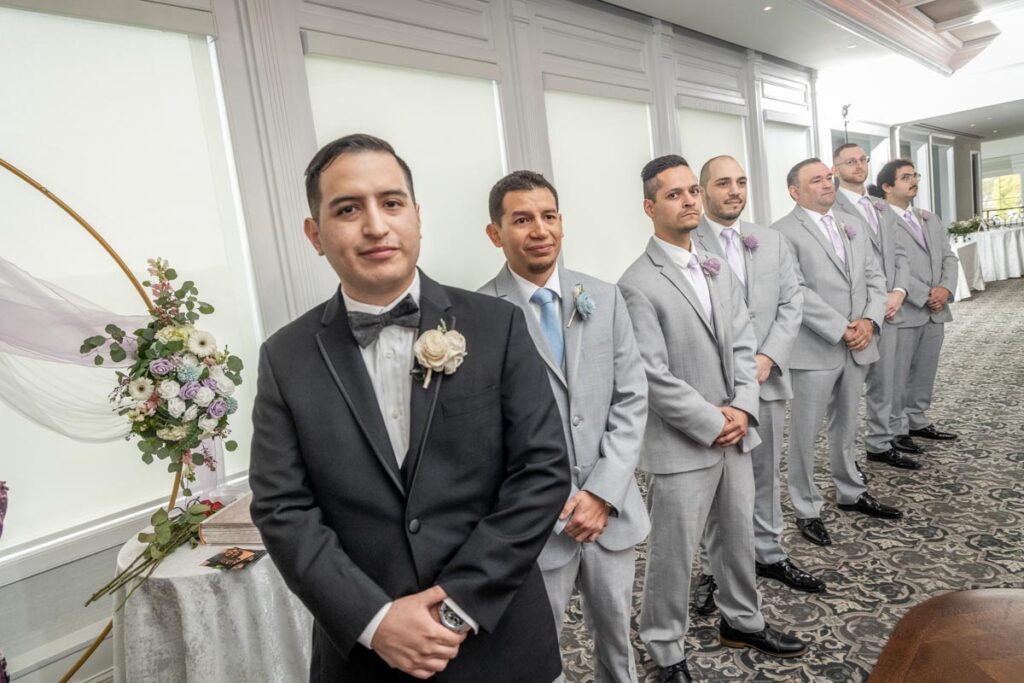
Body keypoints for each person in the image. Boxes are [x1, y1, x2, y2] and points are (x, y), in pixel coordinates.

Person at [249, 134, 570, 682]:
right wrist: (375, 621)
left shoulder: (497, 327)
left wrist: (457, 606)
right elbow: (283, 509)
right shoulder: (285, 356)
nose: (375, 226)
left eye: (391, 203)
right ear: (315, 234)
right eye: (348, 209)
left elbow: (541, 472)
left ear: (417, 217)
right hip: (365, 656)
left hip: (497, 639)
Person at [619, 155, 806, 683]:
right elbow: (651, 376)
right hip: (684, 443)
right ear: (650, 206)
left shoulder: (713, 262)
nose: (689, 202)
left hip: (735, 431)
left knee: (737, 535)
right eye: (674, 195)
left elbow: (745, 338)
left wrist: (744, 407)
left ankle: (741, 620)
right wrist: (712, 420)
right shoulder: (637, 282)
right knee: (673, 554)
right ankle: (665, 648)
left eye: (691, 193)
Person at [479, 170, 649, 683]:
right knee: (537, 655)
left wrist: (601, 492)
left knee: (618, 648)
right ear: (496, 233)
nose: (539, 230)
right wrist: (558, 499)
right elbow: (487, 432)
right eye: (522, 219)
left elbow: (631, 398)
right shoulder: (480, 314)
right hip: (536, 523)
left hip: (611, 511)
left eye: (549, 217)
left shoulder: (604, 296)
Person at [690, 155, 823, 619]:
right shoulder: (687, 242)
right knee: (718, 482)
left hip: (766, 379)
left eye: (741, 182)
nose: (734, 191)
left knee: (765, 474)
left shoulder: (772, 240)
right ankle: (712, 568)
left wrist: (768, 357)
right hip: (716, 389)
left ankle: (769, 552)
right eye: (722, 183)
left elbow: (792, 302)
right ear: (702, 191)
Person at [771, 158, 902, 549]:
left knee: (847, 425)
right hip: (815, 348)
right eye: (816, 180)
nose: (828, 184)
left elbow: (875, 278)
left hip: (859, 341)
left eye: (828, 178)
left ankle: (850, 490)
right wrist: (841, 328)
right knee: (805, 434)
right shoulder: (781, 234)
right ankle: (806, 507)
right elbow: (794, 291)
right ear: (795, 191)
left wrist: (869, 322)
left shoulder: (853, 224)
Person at [832, 144, 919, 470]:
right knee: (849, 393)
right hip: (858, 311)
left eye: (862, 159)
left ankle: (880, 443)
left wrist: (898, 291)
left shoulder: (881, 207)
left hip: (891, 307)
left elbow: (899, 254)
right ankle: (845, 461)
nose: (858, 165)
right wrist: (872, 303)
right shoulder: (832, 204)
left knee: (888, 380)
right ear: (836, 168)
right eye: (850, 161)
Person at [878, 159, 960, 448]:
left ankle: (917, 419)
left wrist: (945, 289)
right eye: (905, 177)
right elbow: (886, 266)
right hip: (905, 308)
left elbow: (948, 256)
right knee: (897, 374)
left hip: (936, 310)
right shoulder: (880, 220)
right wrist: (925, 293)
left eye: (915, 175)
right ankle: (896, 428)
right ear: (887, 187)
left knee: (926, 369)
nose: (914, 181)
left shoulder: (930, 217)